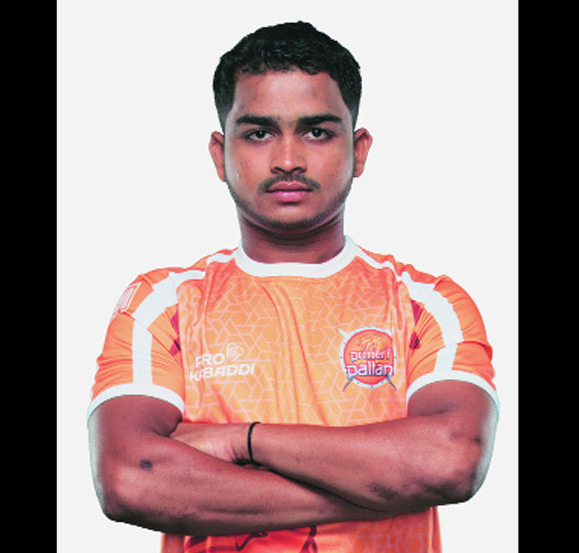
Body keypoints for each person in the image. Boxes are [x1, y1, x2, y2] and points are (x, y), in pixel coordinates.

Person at [87, 21, 498, 553]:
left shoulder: (427, 305)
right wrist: (378, 489)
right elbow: (131, 478)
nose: (287, 160)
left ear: (359, 150)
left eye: (316, 132)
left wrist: (241, 440)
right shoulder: (161, 306)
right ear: (219, 153)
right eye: (259, 133)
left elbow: (449, 460)